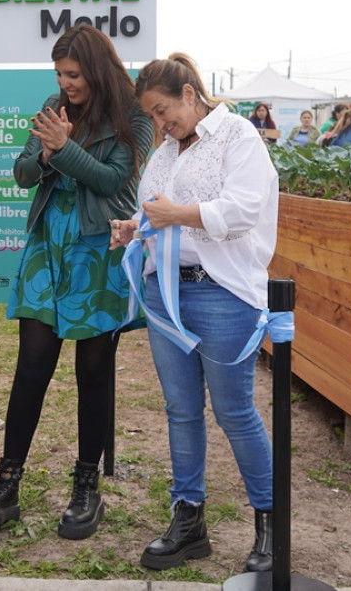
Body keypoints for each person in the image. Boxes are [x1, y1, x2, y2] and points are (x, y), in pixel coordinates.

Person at [0, 24, 153, 540]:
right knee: (32, 365)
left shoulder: (133, 116)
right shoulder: (55, 105)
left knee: (93, 371)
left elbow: (117, 182)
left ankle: (87, 487)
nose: (64, 84)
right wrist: (46, 154)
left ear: (95, 69)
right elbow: (23, 172)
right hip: (48, 245)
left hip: (100, 249)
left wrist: (64, 149)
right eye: (59, 74)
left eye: (72, 75)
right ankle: (6, 483)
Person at [110, 54, 278, 575]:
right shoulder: (165, 151)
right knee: (180, 410)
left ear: (188, 93)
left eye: (163, 110)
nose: (161, 124)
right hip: (167, 293)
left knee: (234, 412)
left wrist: (173, 215)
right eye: (153, 117)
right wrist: (135, 226)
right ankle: (189, 521)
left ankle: (272, 525)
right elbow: (158, 211)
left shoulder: (237, 136)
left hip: (224, 294)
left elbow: (243, 211)